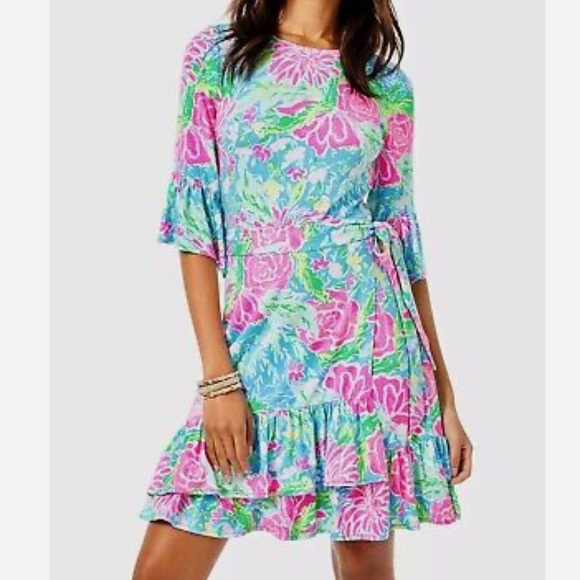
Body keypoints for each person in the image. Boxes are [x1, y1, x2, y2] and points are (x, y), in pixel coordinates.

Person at [133, 1, 473, 578]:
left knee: (364, 568)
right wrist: (218, 380)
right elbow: (196, 221)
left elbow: (401, 241)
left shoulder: (385, 84)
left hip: (369, 359)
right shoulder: (218, 57)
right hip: (257, 351)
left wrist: (445, 393)